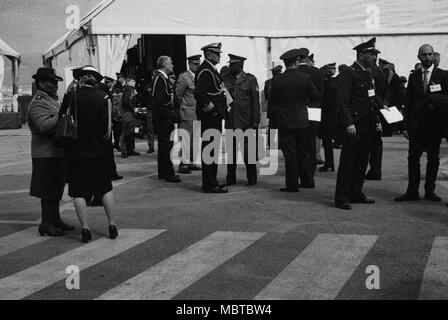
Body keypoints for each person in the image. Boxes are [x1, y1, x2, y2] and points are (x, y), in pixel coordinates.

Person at [65, 66, 118, 243]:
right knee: (105, 188)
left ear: (80, 79)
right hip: (99, 152)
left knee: (78, 192)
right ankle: (111, 224)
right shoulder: (103, 97)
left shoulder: (72, 96)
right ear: (96, 80)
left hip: (76, 151)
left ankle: (86, 227)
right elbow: (106, 130)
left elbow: (62, 119)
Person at [395, 44, 448, 203]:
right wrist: (404, 126)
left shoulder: (443, 75)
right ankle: (412, 191)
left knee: (433, 159)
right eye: (424, 55)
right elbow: (408, 102)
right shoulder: (414, 76)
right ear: (419, 57)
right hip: (416, 125)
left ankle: (430, 191)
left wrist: (435, 99)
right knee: (413, 159)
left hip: (434, 125)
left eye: (430, 54)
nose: (427, 57)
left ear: (434, 56)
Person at [335, 37, 383, 210]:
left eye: (374, 54)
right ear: (361, 54)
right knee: (348, 162)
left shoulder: (368, 73)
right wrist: (348, 122)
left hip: (367, 124)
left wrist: (377, 120)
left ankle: (356, 192)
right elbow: (342, 101)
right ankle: (342, 197)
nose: (374, 57)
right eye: (371, 54)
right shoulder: (349, 73)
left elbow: (372, 100)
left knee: (362, 162)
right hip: (354, 125)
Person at [28, 67, 74, 237]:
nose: (55, 85)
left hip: (55, 152)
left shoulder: (50, 100)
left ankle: (55, 219)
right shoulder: (38, 102)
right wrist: (63, 114)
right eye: (52, 82)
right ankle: (46, 224)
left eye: (56, 82)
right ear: (41, 83)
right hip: (45, 153)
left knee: (55, 188)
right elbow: (43, 126)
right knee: (48, 191)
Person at [268, 49, 318, 192]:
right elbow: (315, 96)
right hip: (302, 119)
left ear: (284, 63)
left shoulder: (277, 80)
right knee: (303, 151)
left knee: (290, 153)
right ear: (296, 61)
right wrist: (303, 102)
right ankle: (308, 180)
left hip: (285, 121)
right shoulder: (305, 78)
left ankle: (292, 184)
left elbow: (272, 101)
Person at [194, 42, 229, 194]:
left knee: (212, 150)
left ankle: (212, 181)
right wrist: (212, 110)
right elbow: (199, 94)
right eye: (217, 53)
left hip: (214, 116)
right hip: (210, 117)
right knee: (209, 150)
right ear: (209, 54)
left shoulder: (210, 69)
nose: (219, 55)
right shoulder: (205, 71)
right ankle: (209, 184)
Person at [223, 54, 261, 186]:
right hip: (231, 121)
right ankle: (230, 178)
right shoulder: (226, 79)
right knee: (231, 153)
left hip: (246, 122)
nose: (230, 67)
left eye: (232, 65)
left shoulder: (250, 79)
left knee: (248, 153)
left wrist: (256, 121)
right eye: (230, 64)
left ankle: (252, 178)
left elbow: (256, 102)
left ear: (240, 65)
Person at [297, 48, 324, 186]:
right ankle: (311, 169)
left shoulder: (295, 72)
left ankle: (302, 171)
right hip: (314, 109)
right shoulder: (317, 72)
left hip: (300, 110)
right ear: (307, 59)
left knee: (300, 142)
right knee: (312, 141)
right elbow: (320, 93)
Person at [152, 56, 181, 183]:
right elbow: (159, 102)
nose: (172, 65)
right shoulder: (160, 79)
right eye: (170, 63)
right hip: (164, 119)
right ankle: (169, 173)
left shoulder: (162, 78)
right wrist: (170, 115)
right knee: (166, 146)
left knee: (164, 146)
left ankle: (163, 172)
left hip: (164, 118)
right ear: (164, 65)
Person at [175, 55, 202, 174]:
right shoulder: (184, 77)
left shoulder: (200, 76)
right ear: (190, 64)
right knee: (185, 138)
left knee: (195, 139)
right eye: (195, 64)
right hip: (187, 111)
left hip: (197, 112)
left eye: (198, 64)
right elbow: (178, 94)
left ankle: (192, 161)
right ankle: (183, 163)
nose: (197, 66)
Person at [364, 53, 387, 181]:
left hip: (369, 110)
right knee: (377, 142)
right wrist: (384, 104)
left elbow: (371, 93)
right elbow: (385, 90)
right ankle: (376, 169)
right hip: (378, 108)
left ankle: (370, 169)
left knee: (366, 142)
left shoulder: (369, 71)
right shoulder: (381, 72)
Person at [319, 63, 338, 172]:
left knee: (327, 142)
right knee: (327, 142)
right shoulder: (333, 84)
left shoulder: (328, 86)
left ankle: (329, 163)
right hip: (331, 116)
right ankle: (329, 163)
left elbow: (327, 102)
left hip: (327, 117)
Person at [120, 76, 141, 158]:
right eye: (133, 81)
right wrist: (133, 108)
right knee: (126, 132)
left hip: (130, 113)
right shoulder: (129, 89)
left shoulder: (132, 89)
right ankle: (125, 151)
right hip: (128, 113)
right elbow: (125, 101)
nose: (134, 83)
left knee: (131, 132)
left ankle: (129, 150)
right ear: (128, 82)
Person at [265, 65, 283, 147]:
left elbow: (266, 97)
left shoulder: (268, 82)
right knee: (281, 127)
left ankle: (271, 143)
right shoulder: (282, 81)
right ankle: (280, 143)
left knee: (272, 126)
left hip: (271, 108)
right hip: (280, 108)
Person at [143, 72, 155, 154]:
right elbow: (143, 97)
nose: (154, 76)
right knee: (150, 129)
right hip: (150, 110)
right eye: (153, 75)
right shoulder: (148, 86)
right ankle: (151, 146)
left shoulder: (160, 85)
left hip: (159, 111)